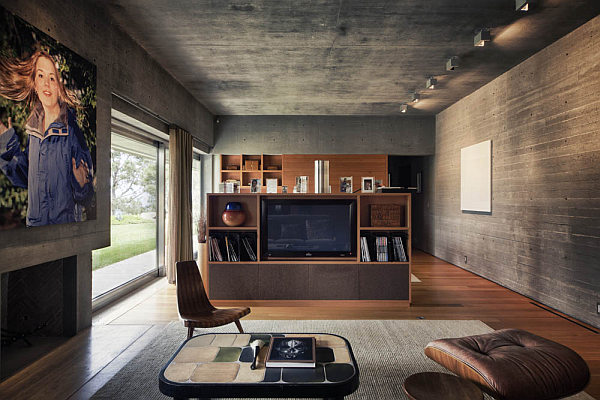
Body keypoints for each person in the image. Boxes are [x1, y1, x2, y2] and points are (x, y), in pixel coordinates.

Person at [0, 49, 94, 226]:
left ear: (60, 86)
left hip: (64, 235)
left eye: (52, 78)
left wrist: (82, 185)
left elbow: (88, 197)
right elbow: (24, 177)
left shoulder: (72, 131)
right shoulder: (34, 131)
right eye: (41, 76)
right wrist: (5, 140)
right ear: (34, 84)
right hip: (36, 231)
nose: (46, 84)